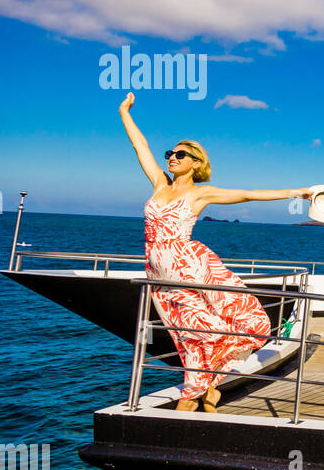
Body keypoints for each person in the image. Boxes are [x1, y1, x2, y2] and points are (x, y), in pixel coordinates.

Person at [119, 92, 312, 412]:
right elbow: (140, 146)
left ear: (196, 162)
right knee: (185, 338)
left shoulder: (200, 193)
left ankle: (187, 405)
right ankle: (209, 395)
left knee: (197, 335)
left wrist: (298, 192)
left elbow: (248, 194)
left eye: (180, 154)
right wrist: (124, 111)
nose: (172, 158)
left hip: (186, 274)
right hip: (159, 279)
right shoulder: (159, 184)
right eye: (170, 153)